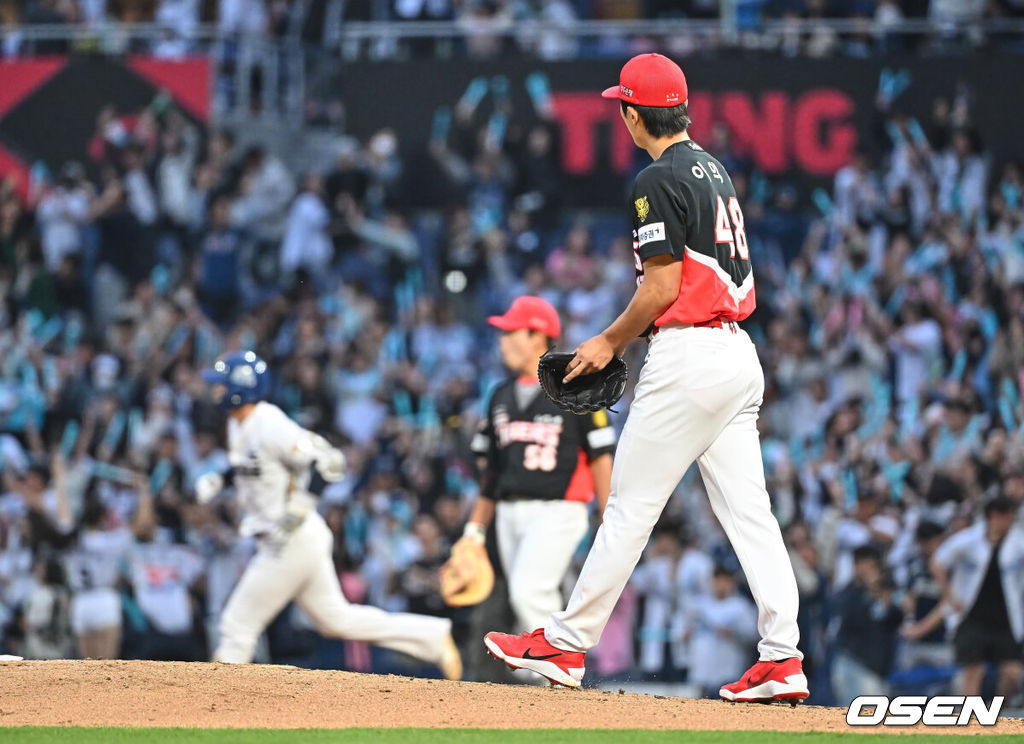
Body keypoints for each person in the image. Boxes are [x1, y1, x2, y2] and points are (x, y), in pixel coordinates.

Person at [483, 53, 809, 704]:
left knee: (630, 508)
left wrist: (607, 341)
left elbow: (661, 287)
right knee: (751, 515)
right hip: (738, 354)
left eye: (621, 107)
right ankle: (782, 656)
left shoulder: (656, 178)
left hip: (688, 354)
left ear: (633, 114)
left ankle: (567, 645)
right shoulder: (715, 170)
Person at [196, 351, 462, 678]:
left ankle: (218, 707)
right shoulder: (240, 423)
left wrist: (298, 510)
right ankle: (432, 637)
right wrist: (219, 479)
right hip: (289, 538)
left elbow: (328, 461)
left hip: (293, 539)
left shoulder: (269, 423)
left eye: (222, 384)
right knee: (337, 620)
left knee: (237, 624)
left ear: (240, 388)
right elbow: (249, 465)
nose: (216, 390)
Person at [460, 295, 614, 632]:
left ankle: (557, 665)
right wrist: (474, 529)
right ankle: (542, 679)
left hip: (559, 508)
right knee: (526, 600)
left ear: (536, 335)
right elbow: (492, 472)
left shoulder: (574, 386)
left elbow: (601, 455)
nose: (502, 342)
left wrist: (608, 514)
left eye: (509, 332)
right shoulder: (499, 395)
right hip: (509, 512)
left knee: (528, 593)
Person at [932, 497, 1024, 697]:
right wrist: (949, 596)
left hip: (1006, 619)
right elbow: (938, 561)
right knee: (974, 672)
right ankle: (971, 721)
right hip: (973, 616)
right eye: (1007, 517)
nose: (1010, 522)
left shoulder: (1018, 542)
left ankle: (996, 710)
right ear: (994, 516)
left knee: (1013, 673)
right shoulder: (969, 539)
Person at [830, 545, 903, 704]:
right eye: (868, 565)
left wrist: (882, 595)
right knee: (851, 719)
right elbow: (856, 621)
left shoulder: (886, 590)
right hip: (855, 665)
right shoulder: (849, 593)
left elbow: (898, 615)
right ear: (857, 565)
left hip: (878, 669)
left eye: (875, 566)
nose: (873, 572)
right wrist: (873, 594)